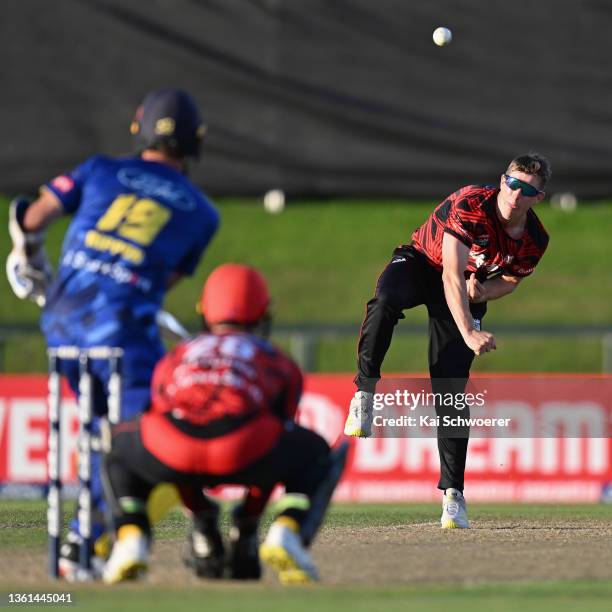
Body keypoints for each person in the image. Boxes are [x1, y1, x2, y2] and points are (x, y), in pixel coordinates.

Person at [6, 88, 220, 576]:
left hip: (61, 319)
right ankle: (99, 540)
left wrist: (29, 256)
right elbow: (158, 280)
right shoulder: (202, 213)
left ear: (139, 128)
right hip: (121, 328)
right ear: (194, 143)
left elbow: (32, 217)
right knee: (152, 440)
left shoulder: (99, 168)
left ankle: (110, 534)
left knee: (110, 437)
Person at [101, 263, 347, 585]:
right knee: (316, 450)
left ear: (204, 311)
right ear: (263, 313)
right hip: (241, 447)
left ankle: (131, 537)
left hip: (172, 447)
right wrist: (249, 516)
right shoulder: (277, 359)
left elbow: (166, 419)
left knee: (117, 446)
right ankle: (288, 531)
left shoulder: (177, 356)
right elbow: (273, 435)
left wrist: (201, 512)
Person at [344, 153, 551, 528]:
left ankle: (453, 494)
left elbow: (511, 280)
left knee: (450, 385)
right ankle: (364, 392)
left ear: (538, 199)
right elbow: (450, 276)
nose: (515, 194)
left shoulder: (535, 239)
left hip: (465, 288)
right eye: (512, 182)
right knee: (386, 299)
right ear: (502, 180)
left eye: (526, 190)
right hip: (425, 263)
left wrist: (484, 293)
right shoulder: (472, 203)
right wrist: (469, 330)